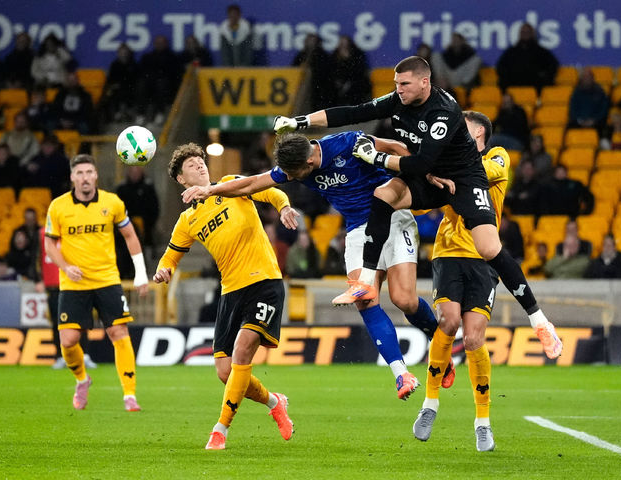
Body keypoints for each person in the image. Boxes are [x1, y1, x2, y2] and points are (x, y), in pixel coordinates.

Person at [273, 55, 562, 359]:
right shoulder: (400, 99)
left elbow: (421, 161)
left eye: (404, 84)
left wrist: (377, 158)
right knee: (383, 194)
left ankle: (539, 321)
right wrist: (300, 122)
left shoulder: (444, 111)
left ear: (425, 82)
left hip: (463, 179)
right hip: (430, 178)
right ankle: (367, 280)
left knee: (489, 248)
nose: (398, 89)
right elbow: (354, 112)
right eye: (396, 84)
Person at [184, 131, 447, 399]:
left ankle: (440, 343)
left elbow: (394, 145)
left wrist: (425, 174)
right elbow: (252, 184)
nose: (292, 179)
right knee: (365, 299)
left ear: (309, 162)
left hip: (393, 217)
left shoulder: (347, 143)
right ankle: (401, 374)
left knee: (404, 300)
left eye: (294, 174)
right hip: (358, 229)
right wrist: (211, 190)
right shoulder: (294, 164)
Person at [153, 142, 296, 450]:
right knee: (225, 372)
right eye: (191, 165)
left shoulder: (231, 185)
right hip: (230, 291)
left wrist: (283, 207)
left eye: (200, 161)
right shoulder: (187, 220)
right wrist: (164, 270)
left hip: (264, 281)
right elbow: (171, 255)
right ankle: (275, 402)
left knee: (243, 349)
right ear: (181, 179)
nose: (199, 165)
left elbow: (271, 190)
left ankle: (220, 429)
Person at [413, 110, 506, 451]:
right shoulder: (450, 162)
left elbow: (487, 171)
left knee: (473, 339)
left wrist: (442, 165)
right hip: (449, 252)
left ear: (479, 132)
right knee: (448, 321)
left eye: (462, 128)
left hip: (484, 258)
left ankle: (483, 422)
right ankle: (430, 404)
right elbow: (421, 204)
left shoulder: (498, 157)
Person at [44, 154, 149, 411]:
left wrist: (141, 273)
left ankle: (129, 395)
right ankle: (82, 380)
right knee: (68, 341)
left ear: (96, 175)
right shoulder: (58, 207)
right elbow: (49, 244)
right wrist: (65, 267)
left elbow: (130, 235)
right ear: (72, 177)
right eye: (79, 173)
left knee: (119, 333)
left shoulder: (112, 202)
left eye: (89, 172)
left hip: (107, 279)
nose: (85, 178)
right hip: (74, 283)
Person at [36, 226, 96, 370]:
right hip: (54, 286)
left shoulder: (75, 228)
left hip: (75, 283)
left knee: (81, 320)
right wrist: (38, 279)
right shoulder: (43, 233)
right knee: (57, 323)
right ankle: (60, 356)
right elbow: (36, 257)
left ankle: (84, 355)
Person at [496, 23, 558, 92]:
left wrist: (543, 75)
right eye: (523, 32)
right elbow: (501, 66)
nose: (525, 34)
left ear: (532, 34)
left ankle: (539, 98)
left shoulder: (541, 52)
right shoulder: (511, 52)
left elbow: (553, 65)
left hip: (535, 80)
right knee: (502, 82)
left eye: (527, 32)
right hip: (515, 80)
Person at [115, 166, 160, 259]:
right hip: (126, 223)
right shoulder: (122, 189)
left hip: (146, 225)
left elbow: (154, 207)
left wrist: (150, 222)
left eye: (137, 172)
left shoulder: (148, 188)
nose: (134, 174)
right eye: (132, 172)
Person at [137, 35, 181, 125]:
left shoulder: (172, 57)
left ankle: (160, 112)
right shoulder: (148, 57)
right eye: (157, 43)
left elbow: (174, 74)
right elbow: (142, 72)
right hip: (150, 83)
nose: (159, 45)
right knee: (141, 85)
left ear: (166, 44)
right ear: (154, 44)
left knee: (161, 84)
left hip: (167, 85)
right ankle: (141, 114)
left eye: (161, 43)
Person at [292, 33, 332, 111]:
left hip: (319, 87)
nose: (311, 43)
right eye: (309, 40)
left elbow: (325, 71)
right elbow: (294, 68)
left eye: (313, 41)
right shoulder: (302, 54)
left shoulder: (322, 55)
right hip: (302, 87)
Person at [100, 43, 139, 123]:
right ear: (118, 53)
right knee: (108, 94)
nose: (123, 54)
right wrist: (113, 85)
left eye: (125, 52)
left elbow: (135, 78)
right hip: (116, 89)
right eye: (121, 52)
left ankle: (128, 111)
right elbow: (110, 79)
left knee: (126, 92)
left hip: (130, 88)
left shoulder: (133, 64)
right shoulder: (114, 65)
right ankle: (115, 114)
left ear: (129, 53)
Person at [330, 35, 372, 106]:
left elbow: (358, 72)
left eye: (345, 44)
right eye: (341, 44)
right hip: (340, 86)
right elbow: (333, 72)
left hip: (356, 85)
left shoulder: (357, 54)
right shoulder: (334, 56)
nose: (343, 47)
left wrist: (347, 60)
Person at [568, 67, 609, 133]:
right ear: (581, 79)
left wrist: (594, 120)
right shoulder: (576, 93)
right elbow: (573, 109)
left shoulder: (600, 92)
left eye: (588, 76)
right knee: (569, 127)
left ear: (592, 78)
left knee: (604, 128)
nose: (587, 79)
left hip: (596, 122)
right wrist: (580, 121)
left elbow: (603, 110)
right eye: (585, 77)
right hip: (579, 122)